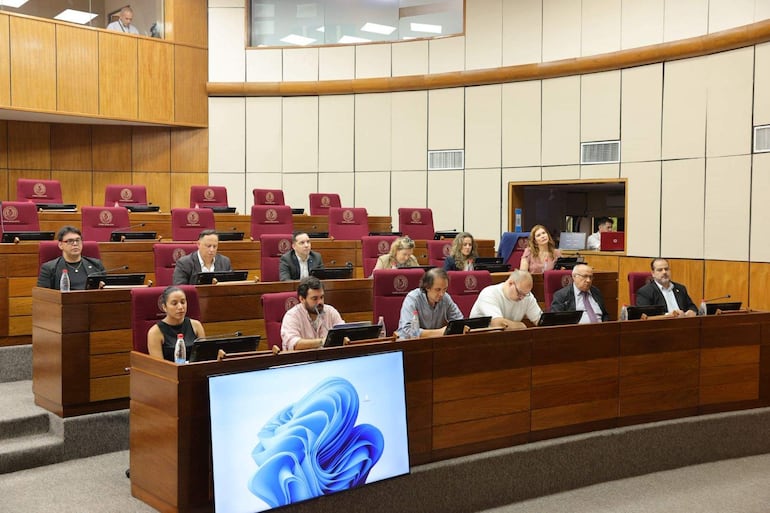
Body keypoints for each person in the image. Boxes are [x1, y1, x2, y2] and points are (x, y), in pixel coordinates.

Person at [396, 268, 464, 338]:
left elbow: (459, 322)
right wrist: (440, 332)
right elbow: (408, 330)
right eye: (438, 289)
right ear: (427, 287)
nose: (442, 294)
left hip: (436, 343)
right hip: (411, 343)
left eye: (445, 289)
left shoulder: (446, 298)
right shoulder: (413, 298)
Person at [280, 276, 344, 351]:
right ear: (302, 299)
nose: (320, 302)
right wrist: (322, 341)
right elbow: (293, 343)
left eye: (322, 297)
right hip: (303, 360)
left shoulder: (330, 311)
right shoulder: (292, 315)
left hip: (329, 359)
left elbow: (343, 333)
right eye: (315, 298)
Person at [146, 286, 205, 361]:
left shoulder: (196, 326)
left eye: (183, 302)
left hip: (195, 371)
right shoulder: (155, 332)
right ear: (164, 307)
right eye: (174, 303)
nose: (180, 307)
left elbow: (204, 357)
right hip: (169, 371)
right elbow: (159, 367)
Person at [37, 226, 105, 290]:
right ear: (60, 245)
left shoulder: (96, 264)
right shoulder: (49, 268)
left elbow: (107, 288)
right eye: (70, 241)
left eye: (78, 240)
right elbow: (43, 295)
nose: (75, 244)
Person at [470, 270, 542, 329]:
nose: (522, 298)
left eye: (525, 294)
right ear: (510, 283)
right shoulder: (489, 293)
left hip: (506, 339)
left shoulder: (527, 296)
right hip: (481, 340)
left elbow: (539, 320)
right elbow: (498, 324)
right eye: (519, 293)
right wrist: (521, 326)